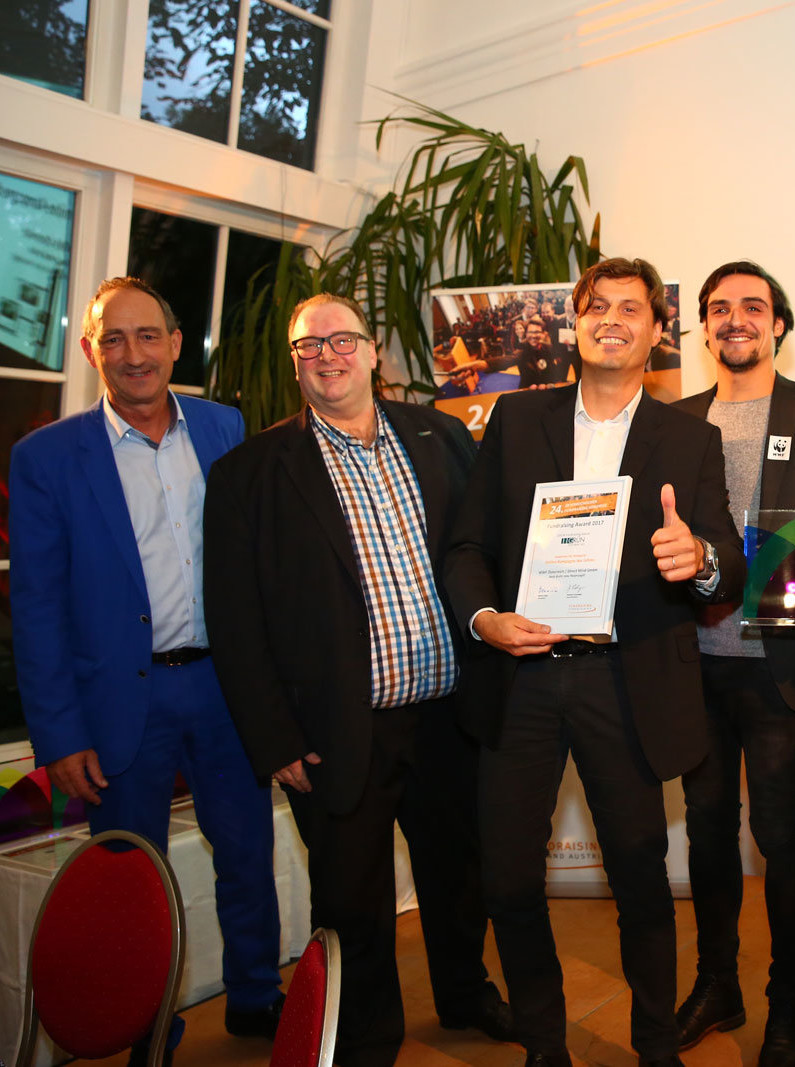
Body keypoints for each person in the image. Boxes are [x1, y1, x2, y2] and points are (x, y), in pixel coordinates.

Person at [443, 256, 745, 1067]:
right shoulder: (515, 420)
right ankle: (545, 1043)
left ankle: (655, 1047)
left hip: (628, 679)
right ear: (576, 322)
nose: (612, 319)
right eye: (597, 306)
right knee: (508, 879)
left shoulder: (690, 435)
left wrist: (700, 559)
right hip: (523, 675)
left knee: (642, 880)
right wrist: (484, 618)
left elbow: (728, 563)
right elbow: (468, 545)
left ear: (656, 331)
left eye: (631, 309)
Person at [203, 294, 513, 1067]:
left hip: (450, 714)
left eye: (344, 340)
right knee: (350, 897)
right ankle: (366, 1036)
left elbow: (485, 552)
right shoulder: (251, 472)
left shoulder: (439, 436)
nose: (328, 356)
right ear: (296, 364)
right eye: (310, 347)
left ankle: (465, 992)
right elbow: (235, 618)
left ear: (376, 354)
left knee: (459, 871)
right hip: (340, 726)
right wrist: (272, 735)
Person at [9, 276, 285, 1060]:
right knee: (129, 871)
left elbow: (260, 561)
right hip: (119, 704)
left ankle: (256, 995)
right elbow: (35, 606)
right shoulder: (47, 458)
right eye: (115, 339)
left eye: (149, 336)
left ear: (174, 344)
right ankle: (145, 1021)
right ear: (93, 350)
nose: (135, 355)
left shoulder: (224, 426)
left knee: (247, 852)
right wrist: (59, 735)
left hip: (226, 688)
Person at [671, 261, 795, 1066]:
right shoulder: (676, 419)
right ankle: (717, 981)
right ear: (706, 328)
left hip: (778, 660)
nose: (734, 319)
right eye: (718, 309)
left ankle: (788, 1000)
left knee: (777, 827)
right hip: (691, 662)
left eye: (751, 306)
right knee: (709, 832)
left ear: (779, 323)